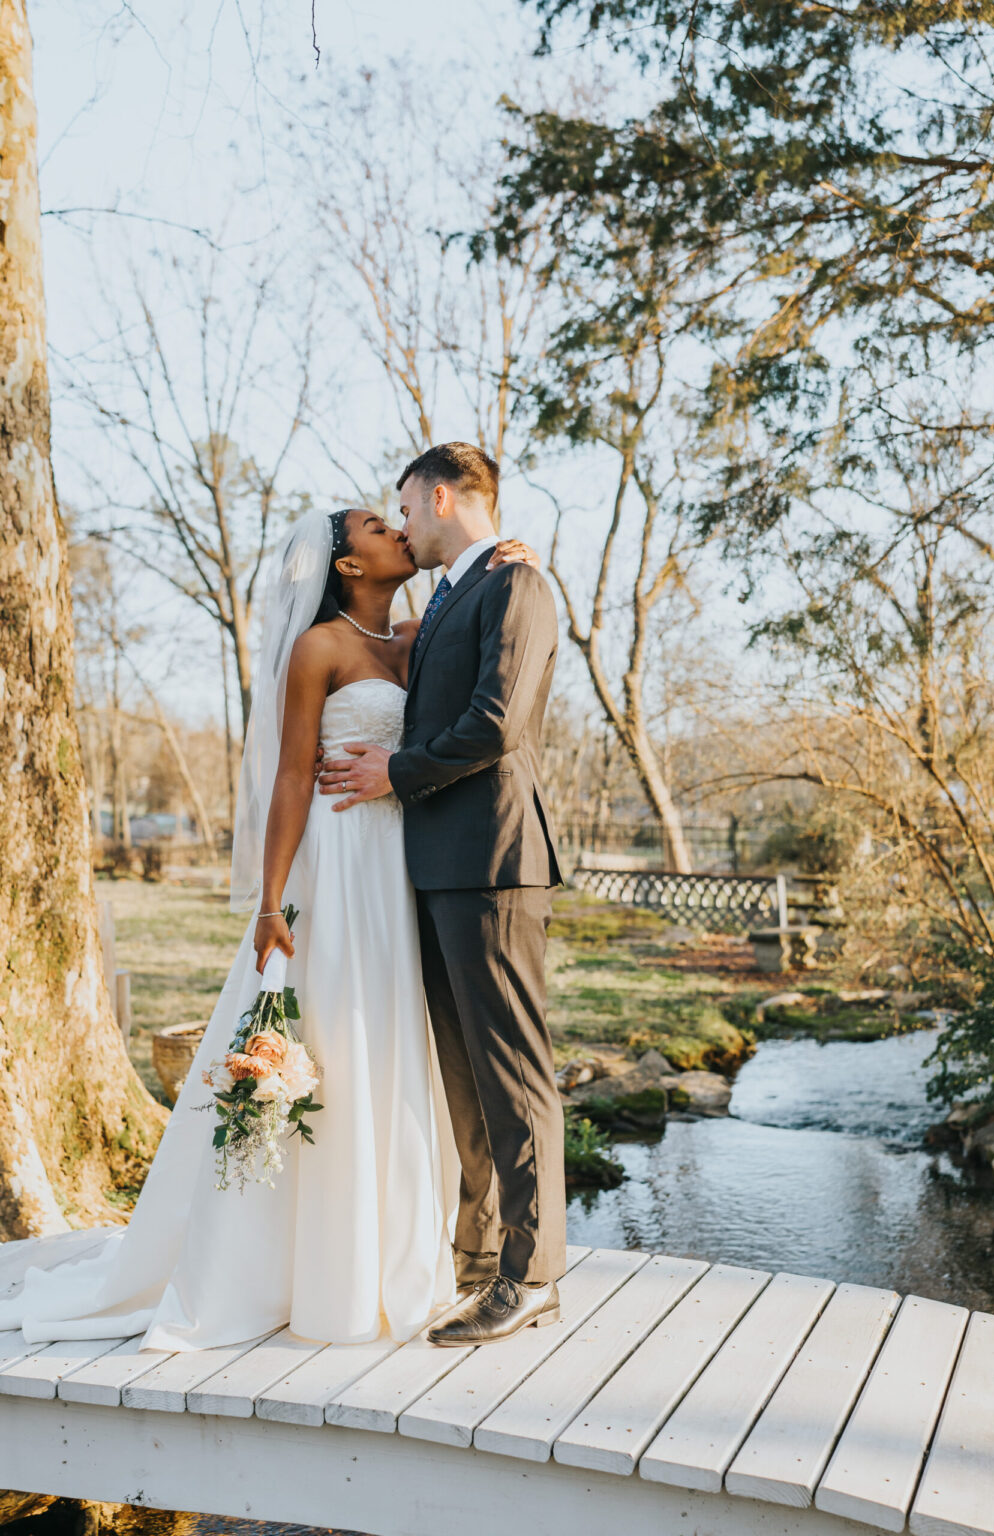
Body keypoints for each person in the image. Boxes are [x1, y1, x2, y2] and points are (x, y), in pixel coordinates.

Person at [0, 506, 538, 1351]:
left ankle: (387, 1255)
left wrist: (507, 558)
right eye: (372, 524)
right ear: (347, 565)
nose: (394, 528)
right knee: (328, 1042)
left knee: (393, 1045)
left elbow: (482, 623)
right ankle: (289, 1267)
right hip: (336, 866)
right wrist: (270, 902)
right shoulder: (319, 646)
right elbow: (291, 778)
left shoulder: (422, 633)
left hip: (407, 868)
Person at [318, 442, 566, 1347]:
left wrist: (395, 773)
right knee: (464, 1085)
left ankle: (532, 1274)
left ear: (442, 496)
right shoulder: (459, 591)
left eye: (407, 511)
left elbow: (497, 724)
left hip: (494, 865)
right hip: (434, 870)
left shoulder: (519, 588)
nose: (404, 527)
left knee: (513, 1077)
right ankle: (477, 1265)